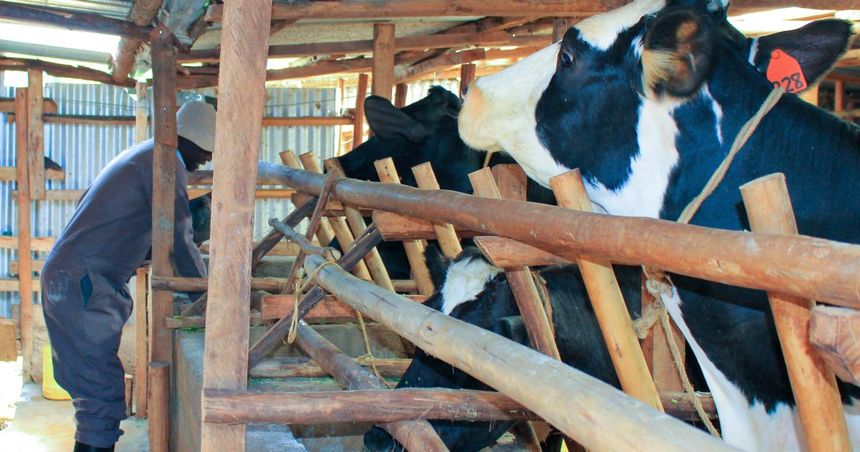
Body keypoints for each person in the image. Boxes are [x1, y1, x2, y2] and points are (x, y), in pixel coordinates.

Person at [40, 101, 216, 452]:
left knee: (96, 394)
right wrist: (208, 299)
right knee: (100, 396)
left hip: (73, 278)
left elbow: (148, 233)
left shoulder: (144, 155)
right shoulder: (164, 165)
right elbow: (179, 237)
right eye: (206, 150)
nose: (207, 160)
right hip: (83, 282)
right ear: (190, 139)